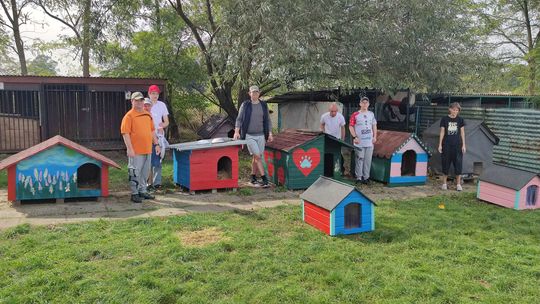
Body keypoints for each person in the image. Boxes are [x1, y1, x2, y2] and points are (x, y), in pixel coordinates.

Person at [121, 92, 161, 203]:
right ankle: (134, 193)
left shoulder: (147, 115)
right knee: (134, 172)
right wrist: (129, 148)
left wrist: (156, 144)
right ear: (132, 101)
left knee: (145, 172)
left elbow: (152, 130)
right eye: (136, 100)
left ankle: (142, 191)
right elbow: (125, 133)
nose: (139, 103)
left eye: (141, 100)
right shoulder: (129, 116)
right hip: (135, 151)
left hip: (148, 149)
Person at [233, 85, 273, 187]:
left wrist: (270, 133)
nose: (254, 94)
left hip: (261, 135)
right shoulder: (245, 105)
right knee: (258, 157)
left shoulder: (264, 105)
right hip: (249, 135)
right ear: (249, 93)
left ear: (259, 93)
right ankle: (265, 180)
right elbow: (239, 119)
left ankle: (253, 178)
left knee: (256, 157)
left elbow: (268, 120)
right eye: (252, 92)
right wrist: (237, 132)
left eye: (256, 92)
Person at [349, 96, 377, 185]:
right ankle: (358, 177)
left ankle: (366, 177)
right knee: (359, 159)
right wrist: (354, 137)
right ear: (360, 104)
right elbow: (350, 126)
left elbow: (374, 126)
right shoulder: (355, 114)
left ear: (368, 104)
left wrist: (375, 136)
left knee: (367, 161)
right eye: (363, 102)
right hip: (359, 142)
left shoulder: (371, 114)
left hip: (369, 142)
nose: (365, 104)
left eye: (366, 102)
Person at [438, 102, 466, 191]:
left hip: (457, 146)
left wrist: (464, 145)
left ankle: (458, 185)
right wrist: (440, 145)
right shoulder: (444, 119)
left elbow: (462, 133)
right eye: (454, 110)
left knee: (458, 164)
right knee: (445, 163)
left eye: (457, 110)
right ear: (450, 109)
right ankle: (444, 184)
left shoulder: (460, 120)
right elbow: (442, 132)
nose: (455, 112)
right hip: (446, 145)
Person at [147, 85, 169, 190]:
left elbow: (166, 122)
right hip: (147, 136)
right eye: (153, 93)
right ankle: (148, 183)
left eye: (156, 93)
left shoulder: (162, 105)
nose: (155, 95)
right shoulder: (146, 105)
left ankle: (157, 183)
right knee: (147, 160)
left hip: (158, 136)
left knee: (157, 160)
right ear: (149, 94)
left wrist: (161, 126)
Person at [320, 102, 351, 175]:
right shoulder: (324, 116)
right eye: (332, 111)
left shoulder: (340, 117)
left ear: (337, 111)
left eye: (335, 111)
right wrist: (323, 132)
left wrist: (342, 139)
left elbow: (343, 128)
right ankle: (326, 171)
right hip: (327, 138)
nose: (333, 113)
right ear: (329, 110)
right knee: (327, 154)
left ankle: (342, 171)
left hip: (337, 138)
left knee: (339, 154)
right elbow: (321, 125)